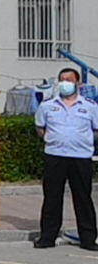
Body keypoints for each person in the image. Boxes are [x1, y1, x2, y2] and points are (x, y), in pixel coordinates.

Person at [33, 67, 98, 251]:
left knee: (83, 198)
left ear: (78, 83)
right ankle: (48, 237)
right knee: (52, 197)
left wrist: (82, 141)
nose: (65, 83)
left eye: (69, 80)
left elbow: (96, 130)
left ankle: (88, 238)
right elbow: (40, 128)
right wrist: (54, 139)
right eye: (62, 80)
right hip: (55, 156)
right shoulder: (47, 105)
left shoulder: (90, 106)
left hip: (80, 157)